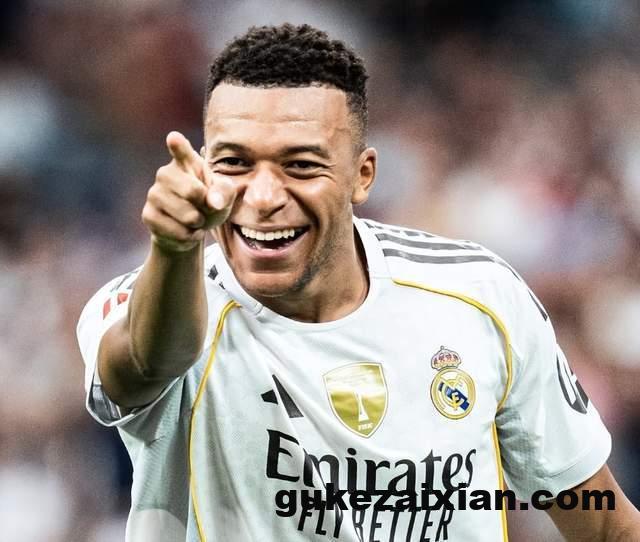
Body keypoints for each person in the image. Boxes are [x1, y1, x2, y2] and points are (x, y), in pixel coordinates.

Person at [77, 23, 639, 542]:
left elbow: (603, 524)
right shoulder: (152, 304)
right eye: (234, 163)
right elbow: (148, 362)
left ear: (361, 175)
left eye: (301, 165)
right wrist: (174, 249)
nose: (264, 197)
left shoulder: (480, 297)